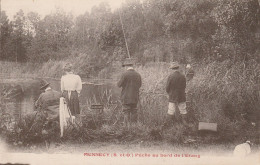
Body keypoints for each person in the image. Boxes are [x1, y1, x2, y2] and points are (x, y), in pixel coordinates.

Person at [162, 62, 189, 130]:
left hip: (173, 96)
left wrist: (169, 93)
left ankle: (169, 125)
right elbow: (184, 86)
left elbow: (167, 88)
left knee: (171, 110)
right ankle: (185, 125)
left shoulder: (171, 76)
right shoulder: (183, 76)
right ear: (178, 68)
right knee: (183, 110)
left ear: (172, 69)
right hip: (181, 95)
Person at [117, 59, 142, 127]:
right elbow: (139, 85)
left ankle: (126, 128)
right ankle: (134, 127)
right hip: (135, 97)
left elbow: (119, 85)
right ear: (132, 66)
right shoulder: (138, 75)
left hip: (126, 97)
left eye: (124, 66)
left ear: (126, 66)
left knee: (126, 111)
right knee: (134, 112)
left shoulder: (124, 74)